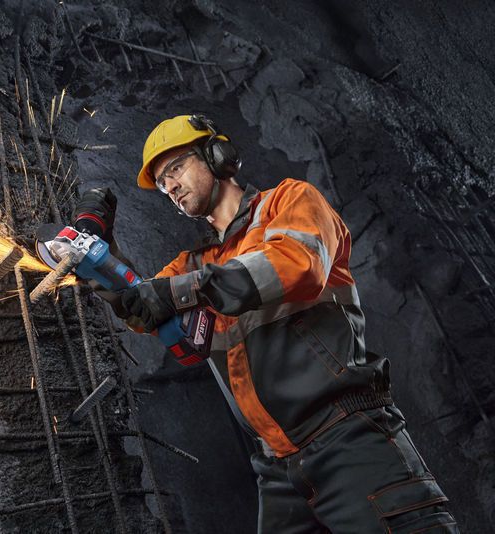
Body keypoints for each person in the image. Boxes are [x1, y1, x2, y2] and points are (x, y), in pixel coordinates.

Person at [76, 115, 459, 533]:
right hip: (278, 469)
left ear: (217, 156)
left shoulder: (290, 202)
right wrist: (97, 254)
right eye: (164, 183)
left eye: (176, 169)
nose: (171, 187)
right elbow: (143, 307)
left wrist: (187, 289)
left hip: (347, 437)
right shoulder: (194, 264)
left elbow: (298, 265)